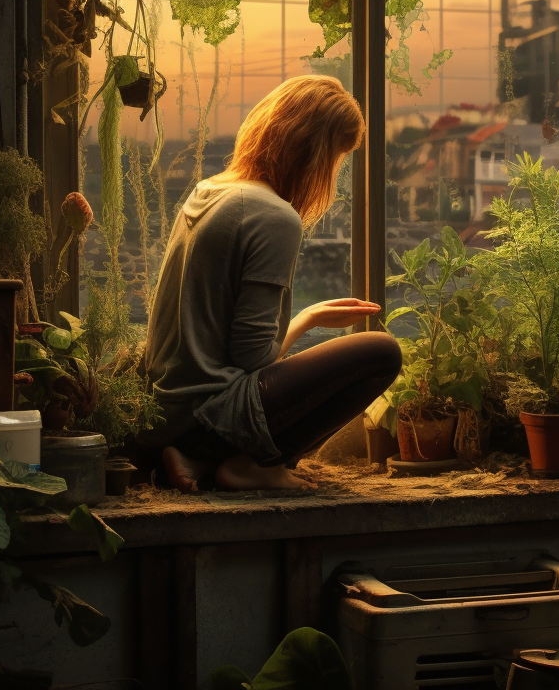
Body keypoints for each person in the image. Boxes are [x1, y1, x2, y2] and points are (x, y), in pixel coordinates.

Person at [144, 75, 401, 492]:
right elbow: (251, 358)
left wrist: (311, 314)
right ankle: (255, 466)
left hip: (166, 416)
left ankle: (202, 462)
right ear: (315, 154)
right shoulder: (273, 216)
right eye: (336, 159)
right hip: (211, 417)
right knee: (382, 352)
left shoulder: (210, 191)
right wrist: (303, 321)